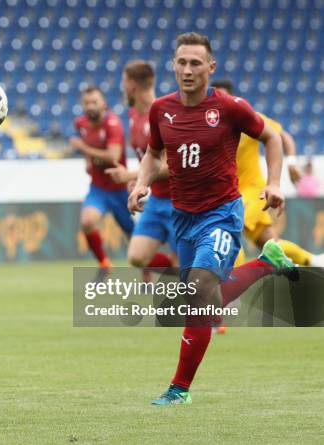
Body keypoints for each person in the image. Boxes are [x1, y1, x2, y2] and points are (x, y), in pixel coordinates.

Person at [128, 32, 296, 405]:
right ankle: (267, 262)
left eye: (195, 63)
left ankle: (179, 390)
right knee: (207, 300)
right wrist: (141, 184)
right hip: (182, 217)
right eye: (181, 62)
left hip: (221, 213)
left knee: (202, 289)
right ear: (173, 65)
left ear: (210, 67)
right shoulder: (161, 110)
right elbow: (154, 155)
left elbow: (272, 137)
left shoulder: (231, 107)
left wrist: (274, 183)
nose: (187, 70)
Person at [210, 80, 323, 267]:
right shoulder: (209, 128)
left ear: (232, 99)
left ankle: (232, 282)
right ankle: (311, 261)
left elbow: (281, 135)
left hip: (253, 190)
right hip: (228, 195)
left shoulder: (246, 119)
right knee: (271, 245)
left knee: (228, 226)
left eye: (224, 97)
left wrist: (291, 162)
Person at [105, 60, 177, 274]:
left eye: (124, 82)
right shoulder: (133, 116)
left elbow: (172, 167)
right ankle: (190, 277)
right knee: (137, 256)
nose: (122, 87)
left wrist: (130, 175)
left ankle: (206, 287)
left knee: (186, 263)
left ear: (132, 85)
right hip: (156, 201)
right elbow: (147, 160)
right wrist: (139, 181)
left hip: (179, 202)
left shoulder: (164, 116)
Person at [69, 86, 134, 275]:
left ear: (103, 104)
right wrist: (88, 160)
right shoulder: (81, 123)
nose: (90, 106)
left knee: (133, 236)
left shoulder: (113, 124)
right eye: (87, 102)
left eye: (94, 102)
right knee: (87, 222)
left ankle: (146, 274)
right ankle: (104, 264)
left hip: (120, 188)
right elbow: (85, 140)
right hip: (98, 189)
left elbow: (113, 155)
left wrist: (84, 149)